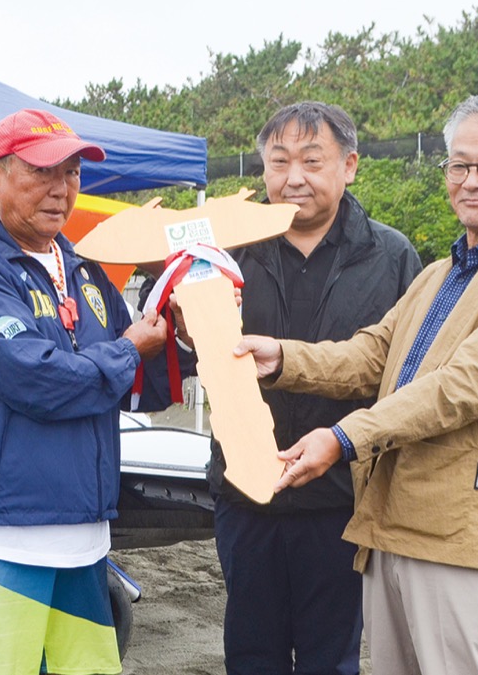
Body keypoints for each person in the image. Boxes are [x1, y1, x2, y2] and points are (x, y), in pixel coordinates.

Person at [237, 88, 478, 675]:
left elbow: (458, 388)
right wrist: (284, 357)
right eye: (460, 165)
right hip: (391, 525)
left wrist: (340, 439)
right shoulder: (443, 271)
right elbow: (374, 355)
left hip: (463, 540)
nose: (472, 180)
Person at [141, 102, 421, 674]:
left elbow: (400, 373)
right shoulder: (222, 253)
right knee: (251, 650)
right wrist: (191, 333)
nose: (293, 177)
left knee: (331, 654)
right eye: (279, 162)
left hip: (341, 495)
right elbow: (195, 355)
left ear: (350, 165)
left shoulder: (391, 256)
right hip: (246, 492)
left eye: (312, 161)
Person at [0, 108, 167, 675]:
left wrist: (180, 328)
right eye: (41, 171)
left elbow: (133, 387)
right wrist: (131, 348)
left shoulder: (87, 274)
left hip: (86, 541)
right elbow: (38, 379)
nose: (62, 190)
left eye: (73, 173)